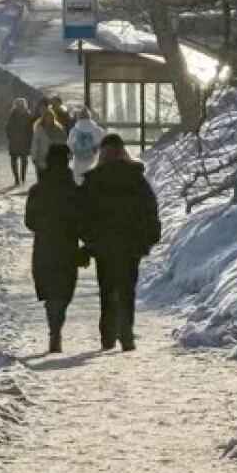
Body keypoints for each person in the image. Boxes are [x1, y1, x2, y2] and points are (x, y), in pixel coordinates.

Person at [78, 134, 161, 351]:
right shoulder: (136, 178)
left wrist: (89, 239)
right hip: (131, 243)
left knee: (107, 289)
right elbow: (149, 209)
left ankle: (107, 336)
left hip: (104, 244)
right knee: (127, 289)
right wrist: (149, 237)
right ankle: (126, 334)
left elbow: (83, 213)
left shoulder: (94, 179)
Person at [24, 143, 83, 353]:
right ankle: (57, 326)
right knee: (64, 290)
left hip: (44, 248)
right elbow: (82, 220)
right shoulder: (74, 190)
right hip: (68, 247)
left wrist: (43, 225)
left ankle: (53, 328)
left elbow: (29, 221)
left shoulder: (38, 190)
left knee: (50, 291)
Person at [66, 107, 105, 185]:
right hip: (93, 157)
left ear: (79, 117)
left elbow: (70, 144)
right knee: (92, 177)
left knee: (79, 178)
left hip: (78, 158)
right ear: (90, 116)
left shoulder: (74, 130)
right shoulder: (97, 130)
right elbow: (103, 143)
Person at [30, 105, 68, 181]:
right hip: (42, 160)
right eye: (46, 117)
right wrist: (34, 158)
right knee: (43, 181)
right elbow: (35, 144)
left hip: (56, 160)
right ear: (43, 118)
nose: (48, 119)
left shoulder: (59, 129)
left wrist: (65, 156)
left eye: (50, 117)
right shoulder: (39, 130)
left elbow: (64, 143)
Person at [4, 98, 33, 185]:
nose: (20, 107)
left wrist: (30, 139)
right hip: (15, 141)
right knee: (14, 160)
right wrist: (10, 137)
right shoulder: (12, 115)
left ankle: (22, 177)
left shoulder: (28, 115)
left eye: (21, 105)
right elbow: (8, 127)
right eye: (19, 105)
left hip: (24, 141)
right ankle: (17, 178)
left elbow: (31, 129)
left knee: (24, 160)